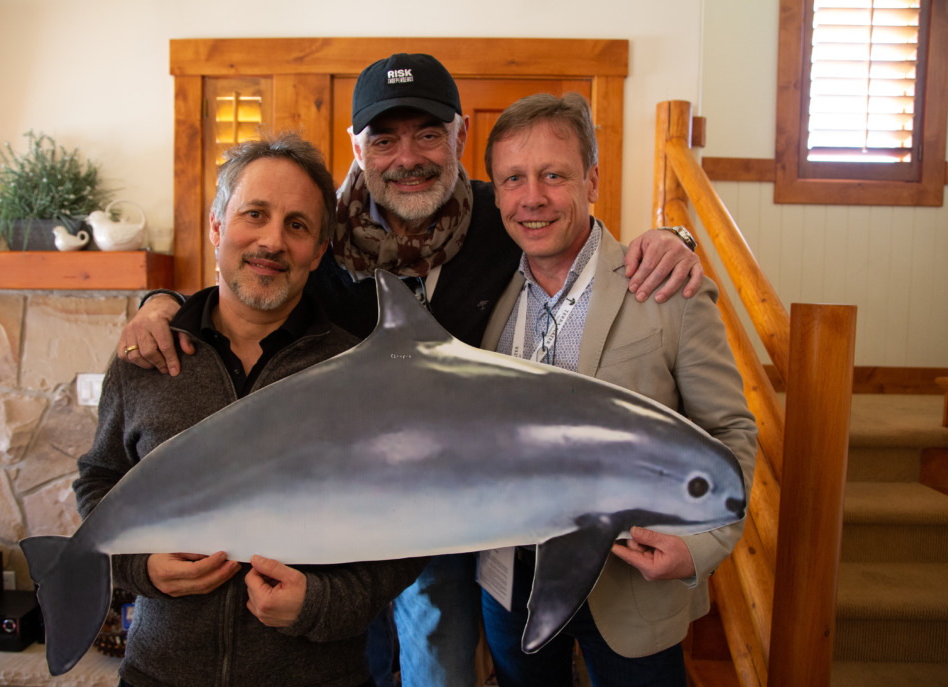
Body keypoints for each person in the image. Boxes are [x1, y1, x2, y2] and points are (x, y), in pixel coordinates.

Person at [115, 54, 705, 687]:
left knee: (441, 668)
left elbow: (576, 238)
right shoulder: (315, 234)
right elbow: (248, 281)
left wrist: (676, 236)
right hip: (336, 502)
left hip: (448, 508)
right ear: (356, 147)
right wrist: (162, 304)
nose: (408, 157)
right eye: (385, 138)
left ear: (460, 137)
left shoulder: (502, 219)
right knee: (348, 659)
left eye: (427, 134)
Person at [73, 133, 426, 687]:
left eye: (297, 225)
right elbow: (100, 479)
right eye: (254, 214)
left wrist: (322, 603)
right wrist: (138, 568)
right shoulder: (144, 357)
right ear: (217, 226)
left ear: (317, 251)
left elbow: (411, 528)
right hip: (160, 673)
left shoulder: (364, 377)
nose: (272, 241)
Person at [477, 93, 758, 686]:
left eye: (554, 174)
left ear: (592, 179)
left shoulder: (665, 287)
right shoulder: (486, 299)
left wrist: (704, 544)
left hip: (630, 585)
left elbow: (730, 432)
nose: (533, 197)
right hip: (513, 580)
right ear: (496, 192)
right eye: (513, 179)